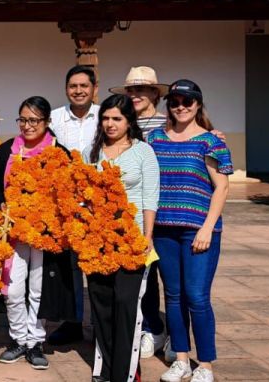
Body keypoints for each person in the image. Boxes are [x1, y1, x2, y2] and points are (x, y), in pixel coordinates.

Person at [149, 80, 232, 382]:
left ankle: (205, 365)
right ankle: (181, 359)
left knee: (197, 297)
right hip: (163, 230)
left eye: (187, 101)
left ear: (198, 104)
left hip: (198, 231)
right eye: (174, 101)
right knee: (172, 296)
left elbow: (221, 187)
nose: (181, 106)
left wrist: (207, 228)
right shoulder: (155, 139)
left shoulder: (211, 141)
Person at [84, 94, 160, 382]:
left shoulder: (143, 152)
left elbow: (150, 197)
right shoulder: (90, 153)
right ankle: (107, 367)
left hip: (132, 238)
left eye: (117, 118)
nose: (110, 124)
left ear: (129, 122)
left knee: (126, 304)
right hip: (96, 242)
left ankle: (125, 373)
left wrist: (148, 235)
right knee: (101, 305)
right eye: (105, 118)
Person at [0, 96, 65, 370]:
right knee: (13, 288)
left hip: (44, 234)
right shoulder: (7, 149)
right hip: (14, 231)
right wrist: (3, 203)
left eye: (34, 120)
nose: (28, 126)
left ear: (46, 122)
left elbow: (66, 190)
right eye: (23, 119)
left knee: (38, 288)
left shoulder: (58, 151)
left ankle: (36, 342)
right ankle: (19, 338)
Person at [107, 66, 169, 357]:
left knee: (165, 278)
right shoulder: (121, 120)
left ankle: (164, 332)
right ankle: (147, 327)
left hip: (164, 206)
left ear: (155, 93)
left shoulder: (168, 123)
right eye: (131, 90)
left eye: (141, 90)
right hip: (135, 211)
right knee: (142, 275)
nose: (135, 95)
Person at [48, 65, 99, 345]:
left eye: (84, 86)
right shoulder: (54, 118)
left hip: (97, 202)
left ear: (93, 88)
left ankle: (100, 319)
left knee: (97, 263)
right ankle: (73, 321)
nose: (78, 91)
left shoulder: (105, 116)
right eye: (73, 86)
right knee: (69, 267)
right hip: (64, 202)